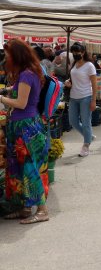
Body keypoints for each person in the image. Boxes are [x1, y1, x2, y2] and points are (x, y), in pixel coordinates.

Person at [1, 39, 50, 224]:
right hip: (21, 126)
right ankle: (25, 208)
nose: (6, 58)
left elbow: (21, 103)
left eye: (8, 55)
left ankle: (43, 210)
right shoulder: (27, 72)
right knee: (18, 168)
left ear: (16, 56)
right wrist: (7, 90)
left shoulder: (26, 74)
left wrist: (2, 99)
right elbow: (19, 90)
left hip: (26, 128)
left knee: (30, 168)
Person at [65, 42, 97, 157]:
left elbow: (94, 84)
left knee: (86, 122)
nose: (75, 54)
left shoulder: (89, 65)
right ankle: (89, 136)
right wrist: (68, 83)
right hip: (73, 97)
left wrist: (94, 100)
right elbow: (73, 78)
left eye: (77, 52)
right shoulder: (74, 64)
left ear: (83, 52)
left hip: (86, 97)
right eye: (73, 52)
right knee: (73, 121)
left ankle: (86, 145)